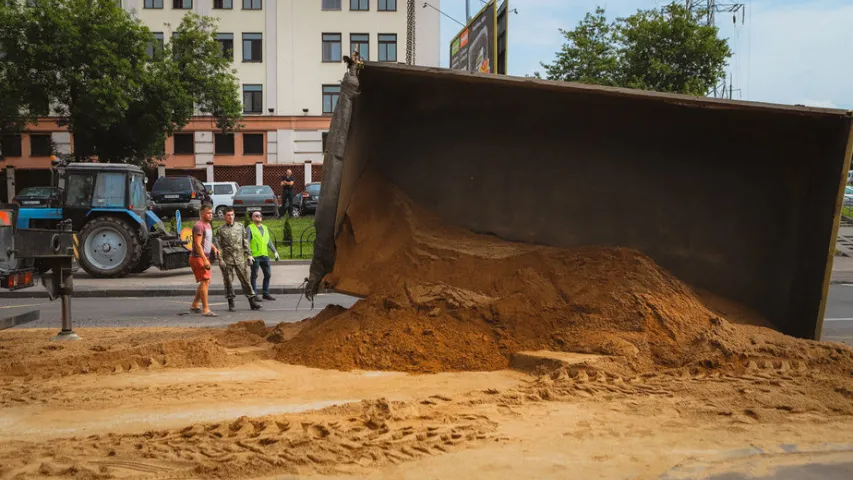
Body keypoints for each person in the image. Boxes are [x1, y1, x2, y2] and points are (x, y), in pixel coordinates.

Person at [215, 207, 262, 312]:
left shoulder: (240, 227)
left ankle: (252, 302)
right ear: (224, 216)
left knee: (246, 280)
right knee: (228, 281)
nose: (230, 217)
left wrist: (249, 255)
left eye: (232, 215)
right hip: (227, 259)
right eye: (228, 215)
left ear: (234, 215)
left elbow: (245, 242)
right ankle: (231, 303)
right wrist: (220, 259)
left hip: (240, 258)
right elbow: (218, 246)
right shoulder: (220, 230)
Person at [189, 204, 219, 316]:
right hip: (197, 258)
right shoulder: (199, 226)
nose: (211, 215)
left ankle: (195, 305)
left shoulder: (208, 225)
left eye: (211, 213)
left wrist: (214, 247)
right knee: (205, 281)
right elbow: (197, 244)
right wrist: (204, 260)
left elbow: (206, 241)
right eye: (208, 213)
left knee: (205, 281)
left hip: (203, 257)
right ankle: (206, 310)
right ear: (202, 214)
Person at [247, 211, 279, 301]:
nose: (259, 217)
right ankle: (254, 295)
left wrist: (275, 252)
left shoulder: (265, 227)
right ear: (252, 218)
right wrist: (249, 255)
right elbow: (247, 242)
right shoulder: (250, 228)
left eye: (260, 215)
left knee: (268, 275)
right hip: (255, 256)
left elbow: (268, 241)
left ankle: (266, 293)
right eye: (257, 216)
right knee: (254, 276)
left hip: (265, 255)